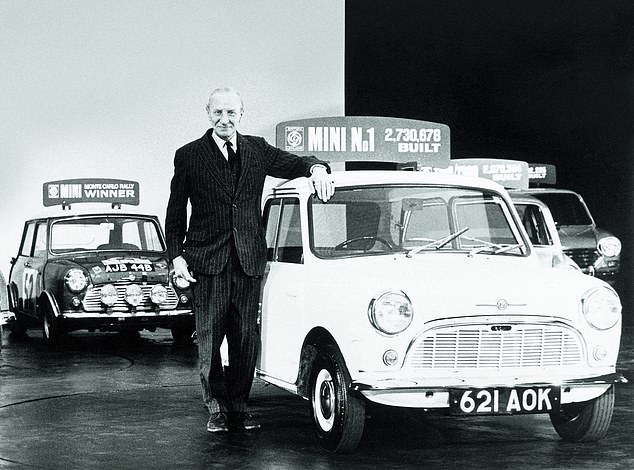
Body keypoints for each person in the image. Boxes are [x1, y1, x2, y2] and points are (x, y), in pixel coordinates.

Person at [165, 87, 334, 433]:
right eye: (217, 113)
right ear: (207, 114)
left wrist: (316, 168)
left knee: (245, 339)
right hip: (206, 263)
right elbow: (175, 213)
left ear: (242, 113)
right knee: (210, 341)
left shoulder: (257, 149)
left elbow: (295, 163)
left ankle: (240, 407)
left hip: (248, 262)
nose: (224, 120)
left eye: (231, 113)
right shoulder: (189, 155)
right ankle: (216, 408)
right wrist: (176, 258)